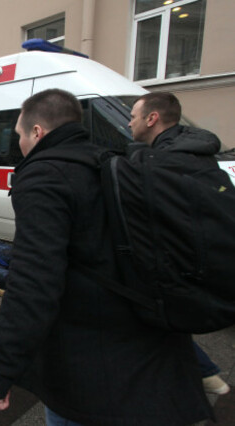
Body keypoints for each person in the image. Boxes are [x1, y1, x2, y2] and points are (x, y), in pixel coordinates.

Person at [0, 89, 211, 425]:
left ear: (38, 132)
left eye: (20, 136)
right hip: (150, 348)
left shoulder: (44, 176)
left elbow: (34, 283)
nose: (20, 145)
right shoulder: (110, 160)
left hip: (90, 365)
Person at [129, 91, 230, 396]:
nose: (130, 122)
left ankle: (196, 378)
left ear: (152, 118)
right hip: (201, 261)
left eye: (133, 116)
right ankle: (204, 373)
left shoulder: (163, 163)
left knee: (145, 313)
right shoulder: (196, 151)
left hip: (179, 264)